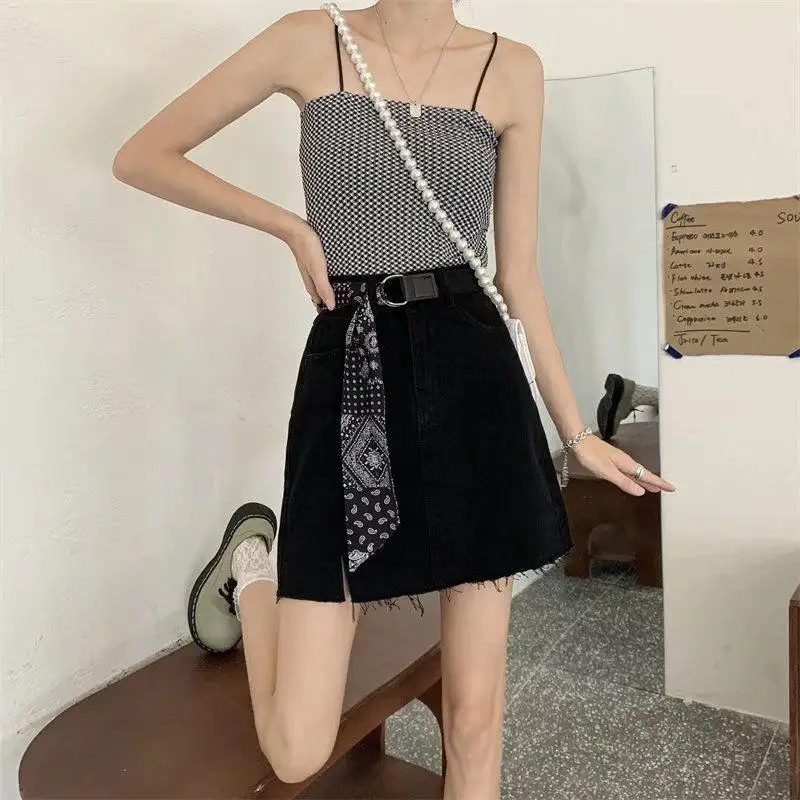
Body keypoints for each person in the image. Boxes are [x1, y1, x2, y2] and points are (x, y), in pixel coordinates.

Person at [113, 2, 675, 797]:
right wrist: (291, 228)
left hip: (474, 381)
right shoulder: (309, 40)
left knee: (474, 723)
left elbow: (518, 275)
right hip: (353, 372)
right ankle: (254, 574)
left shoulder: (511, 68)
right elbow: (142, 156)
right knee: (297, 750)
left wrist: (578, 433)